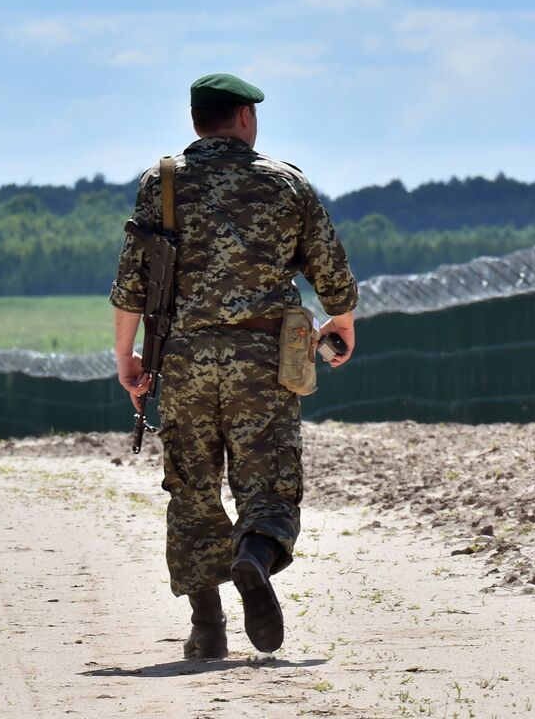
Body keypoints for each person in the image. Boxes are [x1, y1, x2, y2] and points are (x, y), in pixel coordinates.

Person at [109, 73, 358, 660]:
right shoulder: (285, 185)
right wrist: (341, 323)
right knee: (268, 483)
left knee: (192, 489)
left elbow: (130, 286)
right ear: (246, 117)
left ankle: (208, 627)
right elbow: (332, 274)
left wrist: (128, 358)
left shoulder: (162, 184)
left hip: (185, 361)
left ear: (197, 120)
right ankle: (253, 558)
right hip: (264, 363)